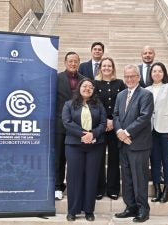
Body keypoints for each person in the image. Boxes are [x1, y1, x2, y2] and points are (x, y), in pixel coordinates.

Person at [62, 78, 107, 221]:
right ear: (79, 88)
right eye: (85, 86)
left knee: (91, 178)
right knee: (74, 178)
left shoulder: (99, 105)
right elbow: (67, 122)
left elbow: (103, 122)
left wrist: (93, 134)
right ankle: (72, 211)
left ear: (93, 91)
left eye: (90, 87)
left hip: (95, 146)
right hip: (74, 145)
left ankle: (89, 210)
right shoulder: (69, 104)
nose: (87, 88)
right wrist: (83, 135)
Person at [113, 64, 154, 222]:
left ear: (138, 77)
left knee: (140, 178)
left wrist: (127, 132)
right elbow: (115, 115)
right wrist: (119, 133)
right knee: (127, 177)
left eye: (132, 76)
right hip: (123, 143)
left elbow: (144, 117)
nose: (129, 79)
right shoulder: (121, 95)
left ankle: (143, 209)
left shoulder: (146, 94)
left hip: (139, 144)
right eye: (127, 76)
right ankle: (130, 207)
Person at [146, 62, 168, 203]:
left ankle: (166, 189)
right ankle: (157, 190)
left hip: (166, 130)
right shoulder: (146, 89)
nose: (157, 73)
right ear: (151, 74)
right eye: (154, 71)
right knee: (154, 161)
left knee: (166, 161)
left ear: (164, 73)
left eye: (160, 71)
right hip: (151, 130)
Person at [94, 57, 125, 200]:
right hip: (100, 126)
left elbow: (124, 103)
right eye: (104, 66)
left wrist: (113, 120)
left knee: (114, 158)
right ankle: (99, 188)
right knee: (99, 158)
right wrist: (105, 120)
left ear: (113, 68)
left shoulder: (119, 83)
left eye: (109, 66)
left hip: (116, 126)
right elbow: (94, 103)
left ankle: (113, 189)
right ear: (100, 68)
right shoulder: (94, 83)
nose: (106, 68)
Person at [55, 52, 84, 200]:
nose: (73, 64)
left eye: (75, 61)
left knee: (76, 159)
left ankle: (75, 187)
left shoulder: (85, 80)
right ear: (65, 62)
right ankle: (58, 187)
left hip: (78, 127)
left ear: (79, 63)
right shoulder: (57, 78)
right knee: (59, 157)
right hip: (60, 125)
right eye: (70, 61)